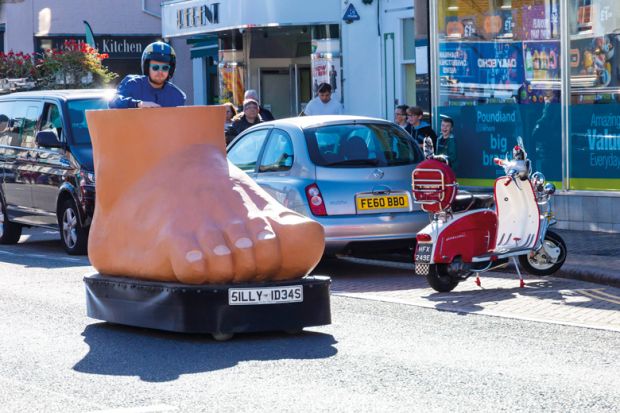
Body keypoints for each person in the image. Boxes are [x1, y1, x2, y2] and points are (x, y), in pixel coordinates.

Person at [109, 41, 186, 109]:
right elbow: (113, 101)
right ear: (147, 68)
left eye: (165, 68)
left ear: (170, 70)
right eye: (155, 67)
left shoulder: (177, 96)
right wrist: (137, 104)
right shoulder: (132, 84)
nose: (160, 72)